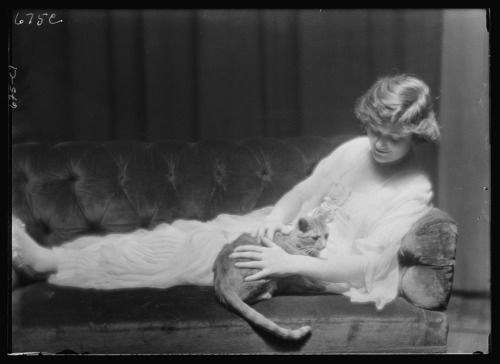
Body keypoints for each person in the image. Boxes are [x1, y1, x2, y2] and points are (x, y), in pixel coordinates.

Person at [12, 73, 440, 310]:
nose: (380, 144)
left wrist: (285, 261)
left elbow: (365, 266)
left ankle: (51, 263)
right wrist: (274, 218)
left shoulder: (414, 190)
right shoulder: (355, 150)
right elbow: (305, 189)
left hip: (320, 267)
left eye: (394, 137)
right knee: (180, 236)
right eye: (375, 131)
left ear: (416, 136)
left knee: (188, 257)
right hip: (283, 235)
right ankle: (57, 260)